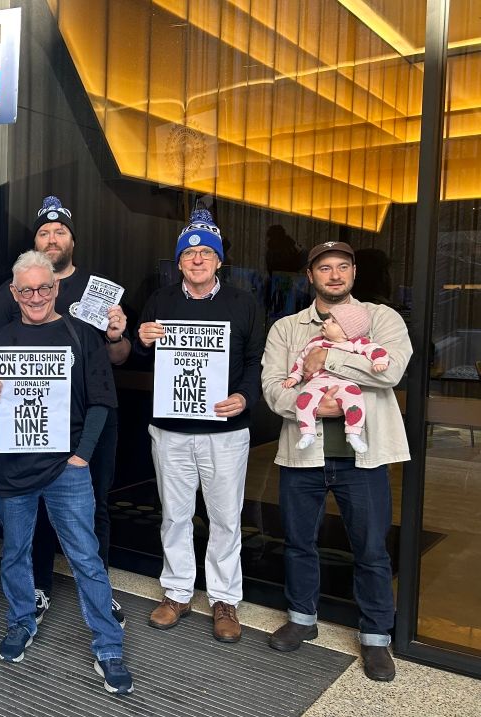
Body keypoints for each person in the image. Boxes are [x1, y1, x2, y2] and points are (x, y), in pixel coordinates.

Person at [0, 250, 133, 696]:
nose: (36, 296)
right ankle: (21, 621)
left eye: (44, 287)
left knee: (85, 556)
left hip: (67, 468)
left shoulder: (82, 334)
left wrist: (82, 455)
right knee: (14, 553)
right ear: (14, 292)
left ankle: (109, 645)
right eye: (26, 290)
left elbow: (103, 400)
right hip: (12, 467)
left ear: (56, 288)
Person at [261, 241, 411, 682]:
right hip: (303, 454)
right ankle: (301, 619)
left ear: (353, 273)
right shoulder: (287, 328)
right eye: (324, 268)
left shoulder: (382, 319)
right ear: (310, 276)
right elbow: (272, 388)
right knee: (299, 541)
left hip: (363, 457)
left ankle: (375, 638)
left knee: (370, 549)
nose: (334, 275)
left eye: (342, 267)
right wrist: (307, 405)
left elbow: (392, 371)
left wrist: (327, 357)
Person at [135, 204, 263, 643]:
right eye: (189, 255)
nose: (197, 260)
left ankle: (224, 599)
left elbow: (254, 362)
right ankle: (177, 592)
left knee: (226, 518)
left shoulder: (243, 303)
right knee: (175, 516)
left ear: (219, 261)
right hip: (170, 429)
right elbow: (141, 357)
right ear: (179, 262)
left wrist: (245, 397)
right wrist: (142, 338)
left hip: (225, 432)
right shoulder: (160, 301)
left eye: (206, 254)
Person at [281, 302, 389, 453]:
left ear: (346, 332)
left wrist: (379, 361)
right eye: (328, 318)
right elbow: (301, 360)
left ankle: (353, 433)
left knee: (355, 400)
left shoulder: (356, 343)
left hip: (344, 382)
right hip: (317, 381)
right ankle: (307, 432)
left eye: (333, 321)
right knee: (304, 398)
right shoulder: (316, 342)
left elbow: (375, 350)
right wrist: (295, 376)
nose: (326, 321)